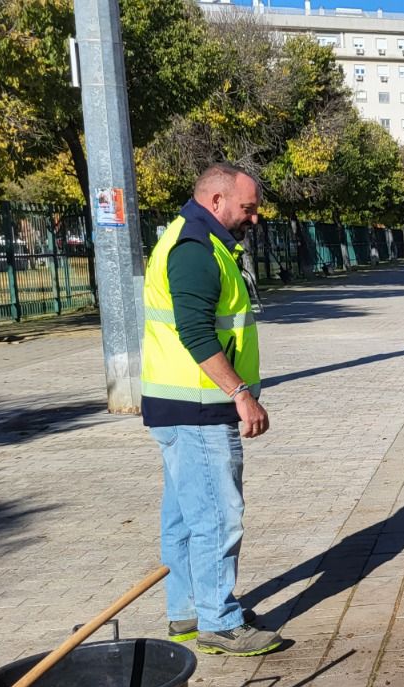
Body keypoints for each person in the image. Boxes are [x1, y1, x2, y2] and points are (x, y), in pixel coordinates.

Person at [140, 162, 283, 656]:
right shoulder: (195, 249)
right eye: (248, 208)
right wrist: (241, 393)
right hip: (198, 407)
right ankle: (219, 621)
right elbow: (197, 332)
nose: (254, 218)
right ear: (216, 200)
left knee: (184, 517)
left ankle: (188, 611)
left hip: (180, 406)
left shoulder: (200, 240)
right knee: (218, 516)